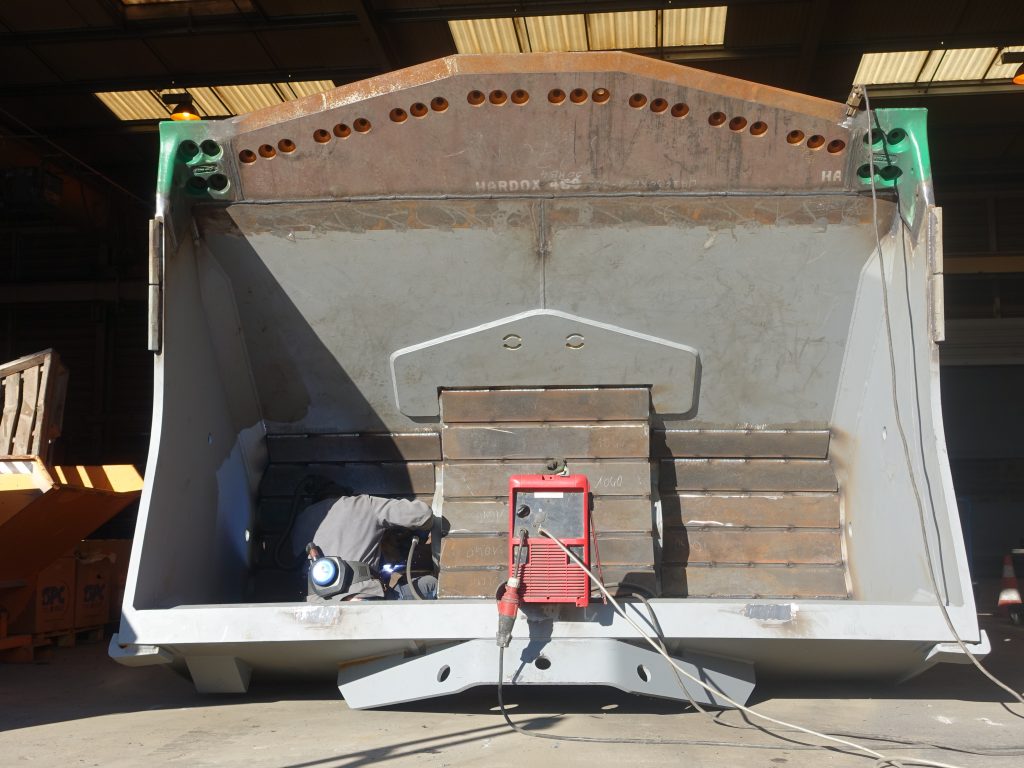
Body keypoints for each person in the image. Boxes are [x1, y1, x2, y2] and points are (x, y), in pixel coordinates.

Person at [290, 491, 437, 601]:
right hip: (362, 601)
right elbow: (423, 515)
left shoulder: (302, 519)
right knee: (431, 585)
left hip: (315, 611)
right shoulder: (362, 504)